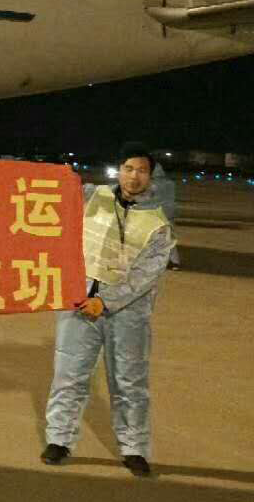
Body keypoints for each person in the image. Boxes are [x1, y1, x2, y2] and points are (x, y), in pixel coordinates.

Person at [41, 142, 175, 476]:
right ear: (119, 170)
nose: (134, 176)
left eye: (141, 171)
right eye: (128, 168)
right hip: (79, 303)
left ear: (150, 176)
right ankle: (59, 439)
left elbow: (146, 275)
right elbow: (49, 193)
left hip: (127, 313)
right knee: (69, 376)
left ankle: (133, 448)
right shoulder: (92, 197)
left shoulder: (158, 223)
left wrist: (106, 301)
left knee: (129, 382)